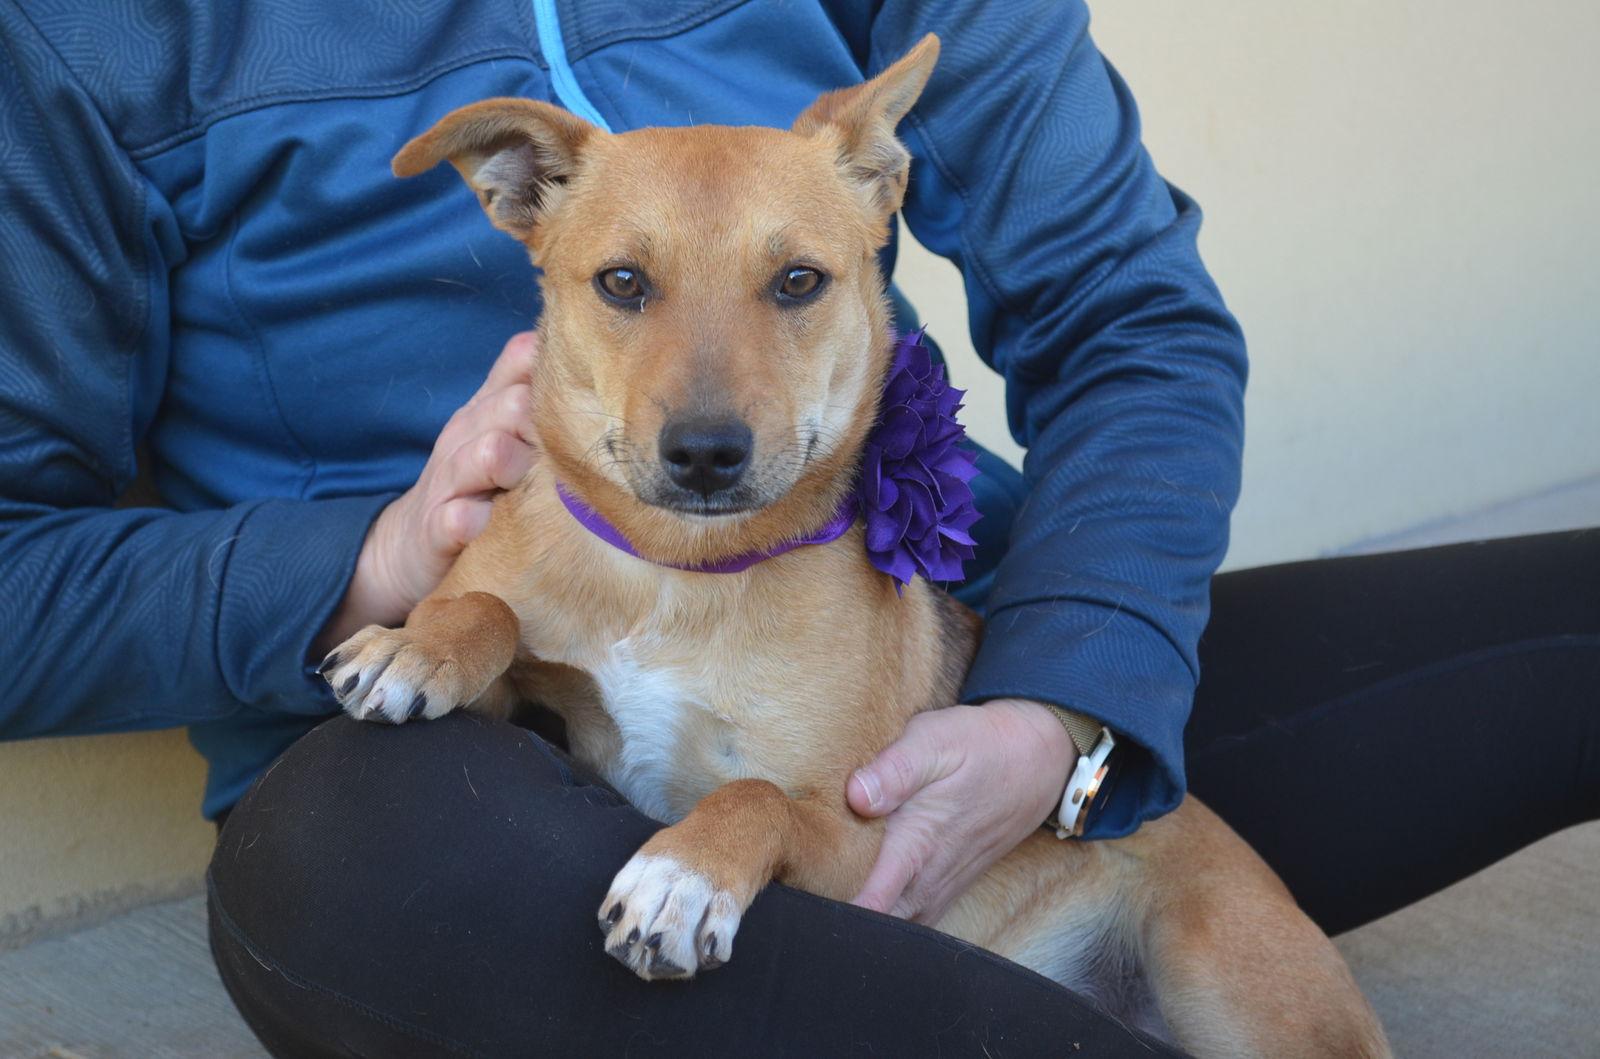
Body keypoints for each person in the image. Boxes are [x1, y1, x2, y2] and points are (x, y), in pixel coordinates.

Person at [2, 2, 1594, 1055]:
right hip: (447, 768)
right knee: (354, 869)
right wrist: (372, 563)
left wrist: (1070, 705)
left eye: (791, 287)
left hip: (926, 646)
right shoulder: (97, 36)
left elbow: (1131, 314)